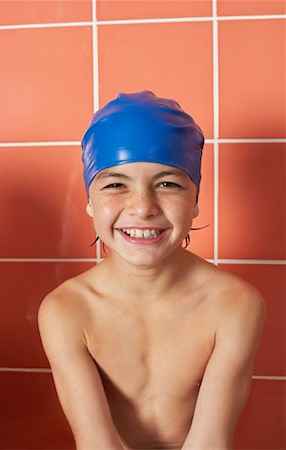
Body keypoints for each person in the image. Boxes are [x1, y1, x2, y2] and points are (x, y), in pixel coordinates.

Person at [38, 91, 266, 450]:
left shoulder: (233, 304)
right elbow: (96, 443)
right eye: (115, 184)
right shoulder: (66, 310)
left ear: (195, 200)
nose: (142, 208)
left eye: (168, 184)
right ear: (89, 200)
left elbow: (211, 441)